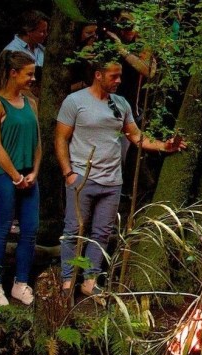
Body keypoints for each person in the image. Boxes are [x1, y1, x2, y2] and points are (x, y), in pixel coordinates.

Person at [55, 58, 185, 298]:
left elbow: (136, 136)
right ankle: (67, 282)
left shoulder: (121, 103)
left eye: (120, 76)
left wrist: (165, 146)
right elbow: (61, 138)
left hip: (112, 180)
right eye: (114, 76)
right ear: (98, 75)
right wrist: (69, 173)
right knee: (74, 230)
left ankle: (90, 281)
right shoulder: (75, 101)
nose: (119, 81)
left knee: (102, 232)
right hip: (82, 177)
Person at [0, 51, 41, 306]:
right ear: (13, 73)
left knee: (29, 229)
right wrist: (16, 177)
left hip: (28, 174)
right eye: (29, 73)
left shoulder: (31, 102)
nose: (33, 78)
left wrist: (34, 172)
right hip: (1, 174)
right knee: (2, 228)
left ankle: (21, 283)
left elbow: (38, 141)